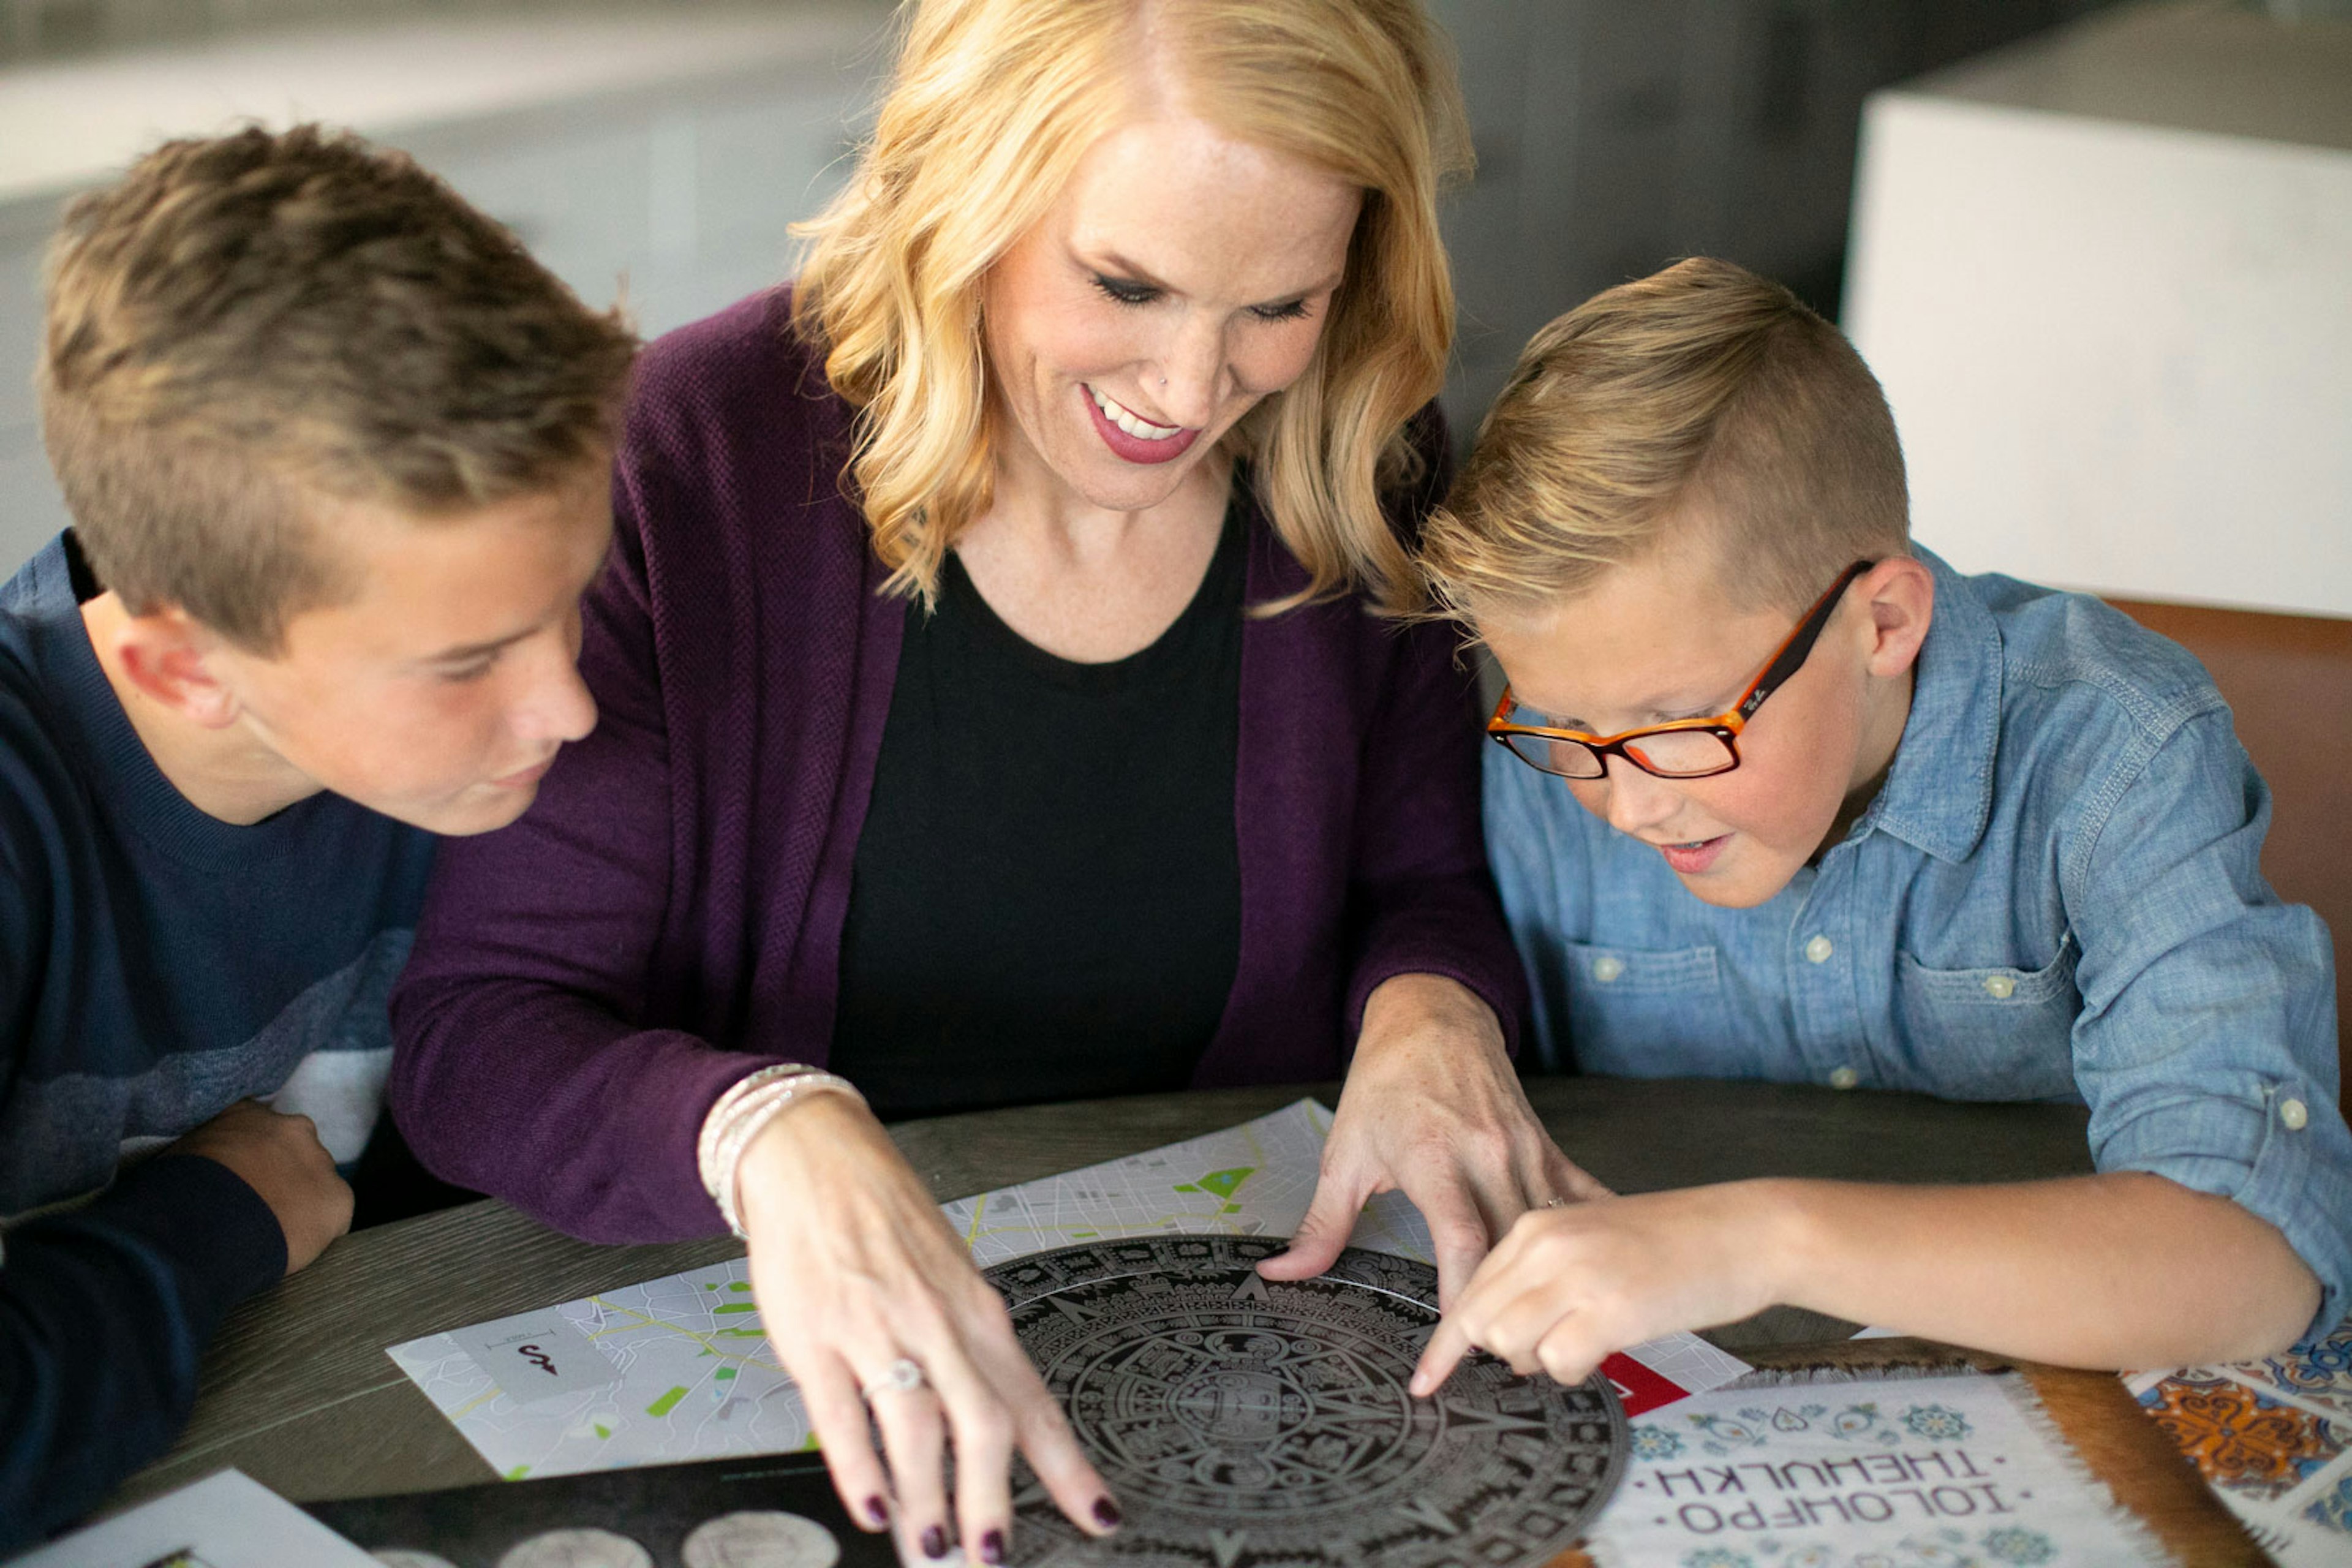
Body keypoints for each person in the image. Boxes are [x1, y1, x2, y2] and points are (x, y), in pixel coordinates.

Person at [389, 0, 1588, 1558]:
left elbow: (1419, 883)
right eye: (1126, 282)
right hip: (749, 1357)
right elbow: (480, 1034)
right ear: (963, 190)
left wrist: (1433, 1005)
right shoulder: (687, 459)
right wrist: (764, 1126)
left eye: (1277, 303)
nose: (1191, 382)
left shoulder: (1356, 445)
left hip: (1222, 1366)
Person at [1408, 257, 2352, 1401]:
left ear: (1885, 622)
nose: (1629, 803)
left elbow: (2257, 1260)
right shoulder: (1566, 770)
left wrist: (1763, 1241)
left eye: (1679, 724)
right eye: (1567, 727)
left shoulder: (2118, 757)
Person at [0, 125, 631, 1547]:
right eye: (469, 659)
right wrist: (220, 1212)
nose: (571, 706)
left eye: (573, 597)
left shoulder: (446, 747)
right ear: (184, 667)